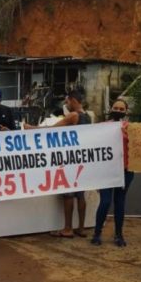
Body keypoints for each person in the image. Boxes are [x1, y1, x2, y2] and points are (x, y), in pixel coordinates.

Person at [47, 89, 92, 238]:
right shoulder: (88, 116)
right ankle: (81, 227)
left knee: (68, 194)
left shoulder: (74, 115)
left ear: (73, 100)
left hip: (70, 158)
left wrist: (30, 129)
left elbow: (51, 129)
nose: (66, 104)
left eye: (67, 101)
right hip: (81, 159)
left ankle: (67, 228)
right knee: (80, 195)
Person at [92, 99, 133, 247]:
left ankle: (118, 234)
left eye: (122, 109)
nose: (118, 111)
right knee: (105, 201)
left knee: (120, 202)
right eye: (116, 108)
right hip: (106, 170)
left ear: (126, 112)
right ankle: (97, 233)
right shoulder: (102, 127)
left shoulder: (131, 128)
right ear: (111, 109)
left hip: (126, 170)